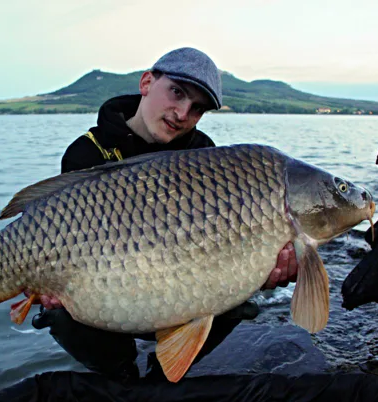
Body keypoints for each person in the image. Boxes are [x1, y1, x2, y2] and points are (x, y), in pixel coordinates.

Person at [32, 47, 298, 380]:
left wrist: (258, 268)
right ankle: (121, 376)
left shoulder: (205, 157)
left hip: (174, 282)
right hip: (106, 288)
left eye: (197, 108)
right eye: (177, 92)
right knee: (57, 312)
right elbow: (64, 238)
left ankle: (163, 378)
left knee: (236, 301)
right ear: (146, 83)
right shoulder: (87, 152)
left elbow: (217, 245)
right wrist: (52, 281)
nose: (183, 113)